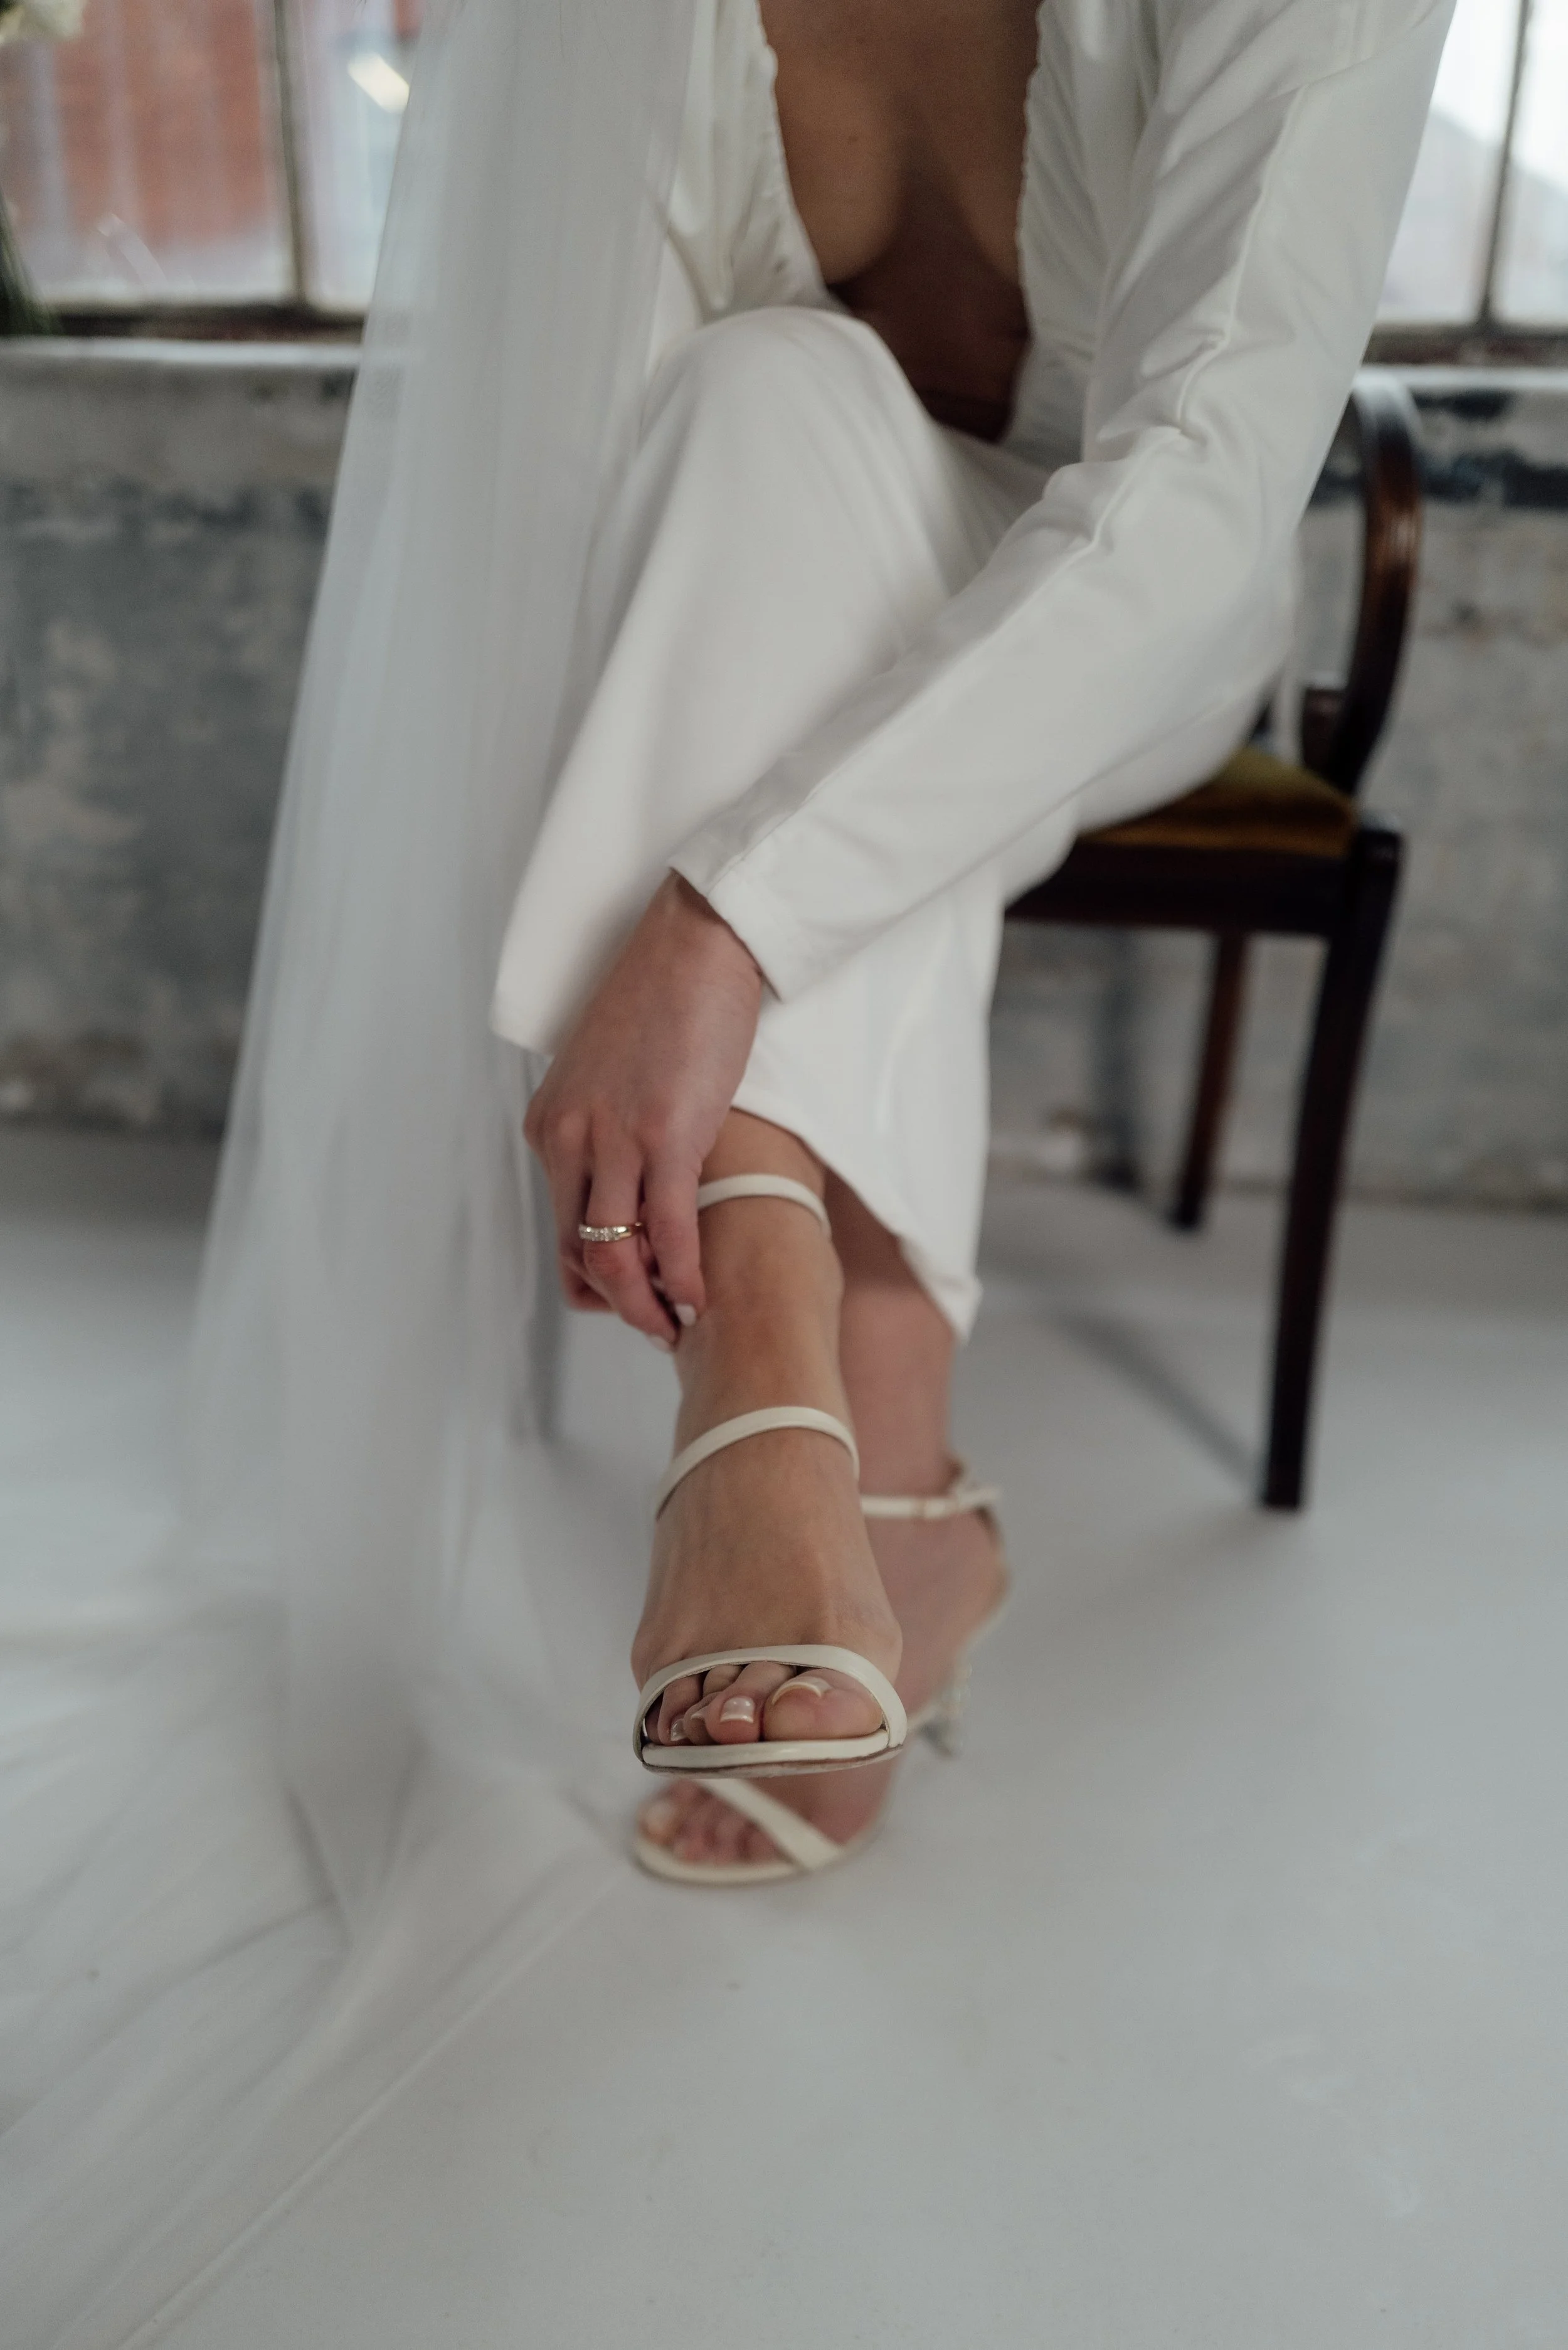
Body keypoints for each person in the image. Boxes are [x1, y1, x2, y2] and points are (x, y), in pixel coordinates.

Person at [487, 0, 1453, 1881]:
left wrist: (717, 922)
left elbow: (1195, 480)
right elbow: (588, 430)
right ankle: (876, 1475)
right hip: (767, 536)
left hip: (1138, 596)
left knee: (797, 807)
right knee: (756, 391)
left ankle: (793, 1401)